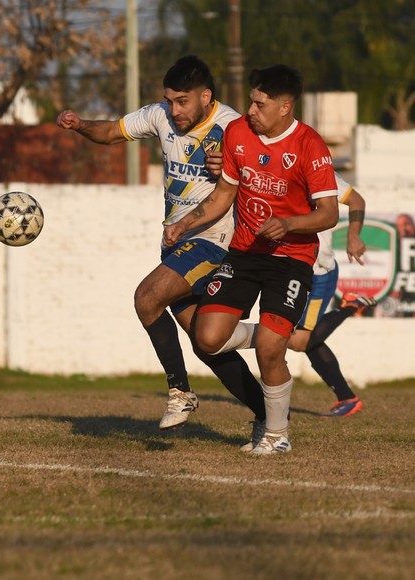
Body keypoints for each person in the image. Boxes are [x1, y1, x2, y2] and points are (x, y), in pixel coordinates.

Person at [57, 55, 266, 430]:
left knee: (147, 297)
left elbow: (264, 176)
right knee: (208, 344)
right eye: (170, 100)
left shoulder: (233, 126)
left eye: (182, 101)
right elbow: (110, 133)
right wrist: (79, 124)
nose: (174, 109)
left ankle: (180, 393)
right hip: (176, 240)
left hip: (213, 240)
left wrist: (234, 168)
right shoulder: (160, 116)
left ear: (206, 96)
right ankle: (269, 414)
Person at [164, 64, 340, 455]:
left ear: (285, 107)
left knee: (269, 349)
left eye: (260, 104)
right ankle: (267, 336)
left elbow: (329, 213)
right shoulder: (238, 133)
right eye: (251, 100)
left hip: (291, 258)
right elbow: (224, 195)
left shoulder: (309, 145)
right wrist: (186, 224)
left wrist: (290, 224)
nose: (251, 109)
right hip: (244, 253)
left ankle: (276, 436)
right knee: (207, 339)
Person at [216, 175, 375, 417]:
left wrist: (353, 235)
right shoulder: (261, 172)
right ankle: (347, 398)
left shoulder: (320, 173)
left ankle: (350, 305)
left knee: (300, 340)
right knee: (309, 342)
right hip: (283, 268)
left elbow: (356, 200)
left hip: (318, 274)